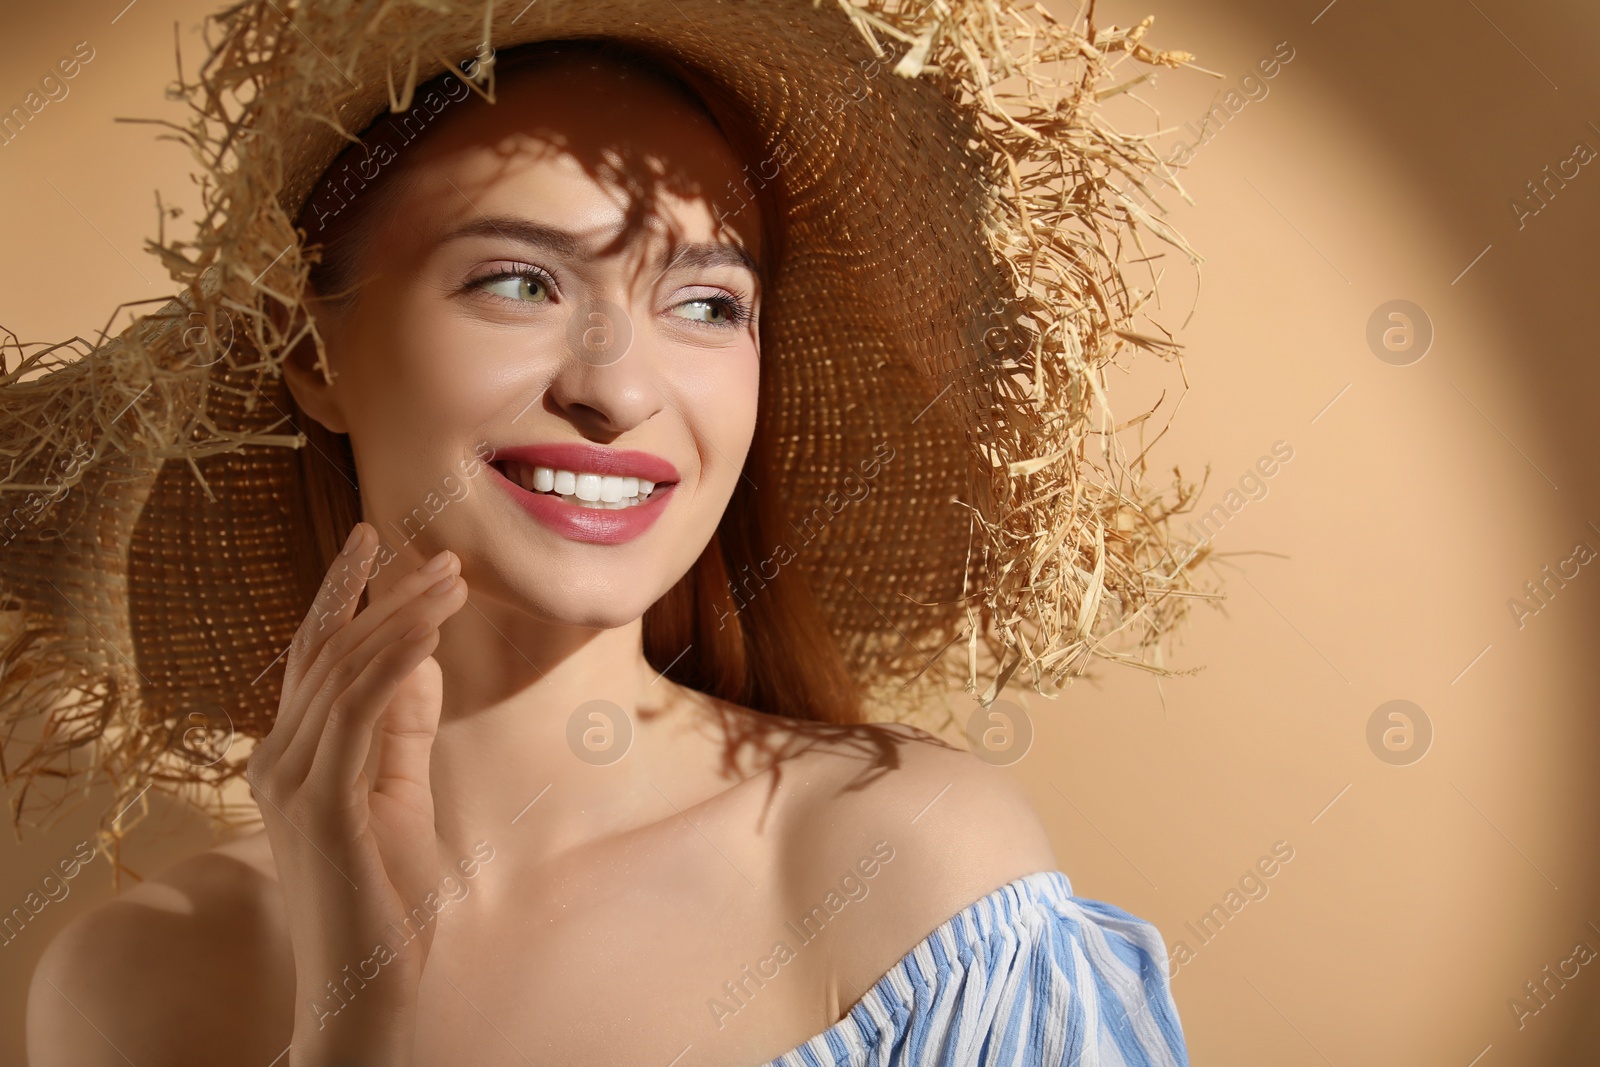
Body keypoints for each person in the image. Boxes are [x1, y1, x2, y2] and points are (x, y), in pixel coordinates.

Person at [9, 3, 1199, 1064]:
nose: (619, 391)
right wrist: (355, 1031)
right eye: (520, 282)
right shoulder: (140, 982)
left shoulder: (912, 876)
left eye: (706, 303)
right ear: (306, 350)